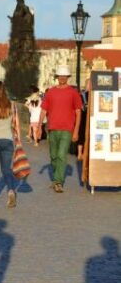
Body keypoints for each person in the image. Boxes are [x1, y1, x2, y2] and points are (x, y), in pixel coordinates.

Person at [37, 65, 82, 193]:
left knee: (62, 155)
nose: (62, 78)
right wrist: (40, 126)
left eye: (64, 76)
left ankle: (58, 181)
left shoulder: (73, 93)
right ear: (57, 77)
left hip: (67, 130)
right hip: (52, 129)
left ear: (68, 77)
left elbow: (78, 113)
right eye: (60, 76)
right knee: (53, 156)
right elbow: (43, 110)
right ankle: (57, 176)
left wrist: (76, 130)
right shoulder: (50, 92)